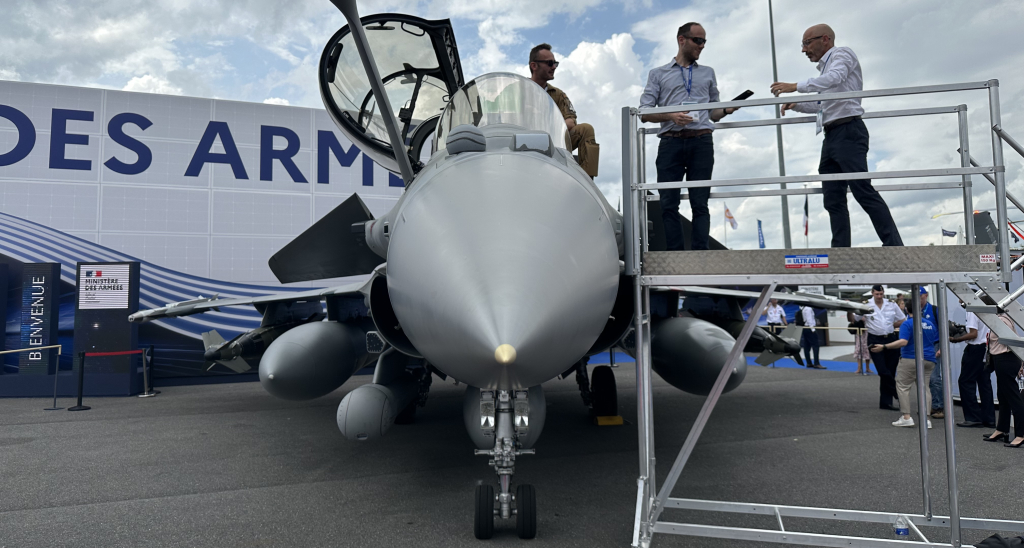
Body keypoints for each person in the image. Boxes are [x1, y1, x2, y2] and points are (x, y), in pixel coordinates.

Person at [770, 24, 902, 248]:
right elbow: (823, 105)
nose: (803, 50)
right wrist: (797, 105)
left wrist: (795, 87)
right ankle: (840, 249)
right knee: (832, 197)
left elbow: (835, 78)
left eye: (807, 43)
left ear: (825, 39)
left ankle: (894, 245)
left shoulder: (842, 54)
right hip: (832, 135)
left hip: (848, 130)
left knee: (862, 190)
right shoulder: (825, 72)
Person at [640, 22, 739, 251]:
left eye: (704, 41)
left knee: (700, 202)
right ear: (681, 40)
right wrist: (671, 116)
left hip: (701, 141)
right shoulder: (658, 74)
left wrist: (726, 110)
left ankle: (700, 255)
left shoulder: (708, 73)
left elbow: (713, 112)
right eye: (698, 40)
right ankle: (676, 255)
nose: (702, 45)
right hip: (671, 142)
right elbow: (644, 112)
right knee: (668, 203)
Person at [528, 44, 600, 178]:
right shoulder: (517, 90)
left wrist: (547, 127)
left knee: (586, 129)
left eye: (555, 63)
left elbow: (571, 121)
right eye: (549, 63)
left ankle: (585, 181)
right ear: (534, 66)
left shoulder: (558, 94)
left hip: (554, 141)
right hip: (523, 141)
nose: (554, 67)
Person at [878, 302, 939, 428]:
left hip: (910, 358)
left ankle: (906, 417)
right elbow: (934, 340)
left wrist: (884, 346)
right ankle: (926, 419)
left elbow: (903, 341)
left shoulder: (907, 324)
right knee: (925, 388)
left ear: (906, 309)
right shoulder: (930, 324)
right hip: (929, 358)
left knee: (903, 386)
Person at [853, 284, 906, 410]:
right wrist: (848, 309)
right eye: (877, 294)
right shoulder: (866, 305)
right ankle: (898, 393)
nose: (879, 296)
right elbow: (855, 318)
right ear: (872, 293)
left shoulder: (891, 304)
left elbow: (902, 319)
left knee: (890, 371)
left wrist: (891, 326)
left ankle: (885, 402)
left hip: (890, 338)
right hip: (874, 339)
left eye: (881, 294)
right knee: (882, 370)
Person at [982, 311, 1024, 448]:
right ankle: (1002, 429)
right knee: (1003, 396)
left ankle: (1021, 434)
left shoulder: (1002, 320)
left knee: (1013, 397)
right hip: (1001, 359)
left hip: (1006, 359)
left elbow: (1013, 341)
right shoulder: (1000, 318)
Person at [951, 302, 994, 428]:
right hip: (986, 347)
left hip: (975, 348)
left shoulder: (972, 310)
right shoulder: (985, 309)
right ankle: (989, 418)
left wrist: (955, 339)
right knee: (984, 382)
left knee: (965, 381)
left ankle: (973, 417)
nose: (960, 302)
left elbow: (973, 334)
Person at [916, 287, 944, 419]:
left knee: (934, 377)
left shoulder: (934, 310)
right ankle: (927, 405)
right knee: (922, 378)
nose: (919, 299)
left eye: (920, 296)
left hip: (934, 345)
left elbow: (943, 329)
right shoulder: (913, 310)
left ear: (926, 296)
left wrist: (941, 347)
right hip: (919, 346)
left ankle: (938, 406)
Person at [847, 308, 873, 375]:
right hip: (859, 333)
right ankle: (859, 367)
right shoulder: (857, 314)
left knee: (867, 349)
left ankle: (867, 367)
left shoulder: (869, 314)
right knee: (859, 349)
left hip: (867, 333)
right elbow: (852, 320)